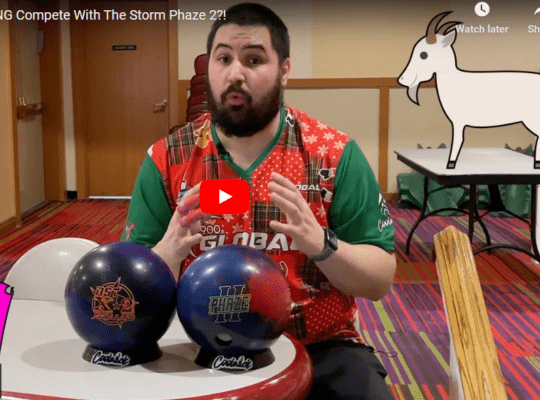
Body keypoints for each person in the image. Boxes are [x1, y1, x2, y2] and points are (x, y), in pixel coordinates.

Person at [121, 3, 396, 399]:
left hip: (318, 347)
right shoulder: (167, 160)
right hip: (199, 346)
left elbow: (380, 281)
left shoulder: (334, 155)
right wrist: (165, 255)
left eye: (254, 60)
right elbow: (129, 293)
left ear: (284, 69)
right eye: (223, 59)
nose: (236, 73)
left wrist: (322, 246)